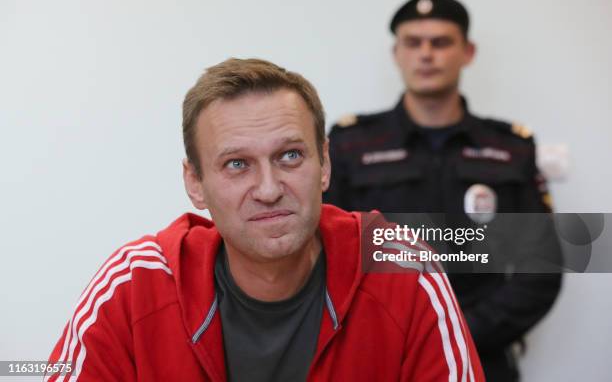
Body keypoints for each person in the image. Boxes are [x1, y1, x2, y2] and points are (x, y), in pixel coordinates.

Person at [46, 58, 484, 381]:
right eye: (237, 164)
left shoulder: (402, 268)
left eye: (290, 156)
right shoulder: (135, 283)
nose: (269, 188)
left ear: (325, 164)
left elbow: (538, 262)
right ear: (195, 183)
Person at [324, 0, 562, 381]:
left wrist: (461, 329)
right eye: (414, 43)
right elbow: (329, 256)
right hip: (382, 357)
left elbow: (541, 268)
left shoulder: (509, 148)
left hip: (484, 356)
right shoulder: (352, 144)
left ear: (467, 52)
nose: (426, 54)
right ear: (396, 53)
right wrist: (393, 331)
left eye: (441, 42)